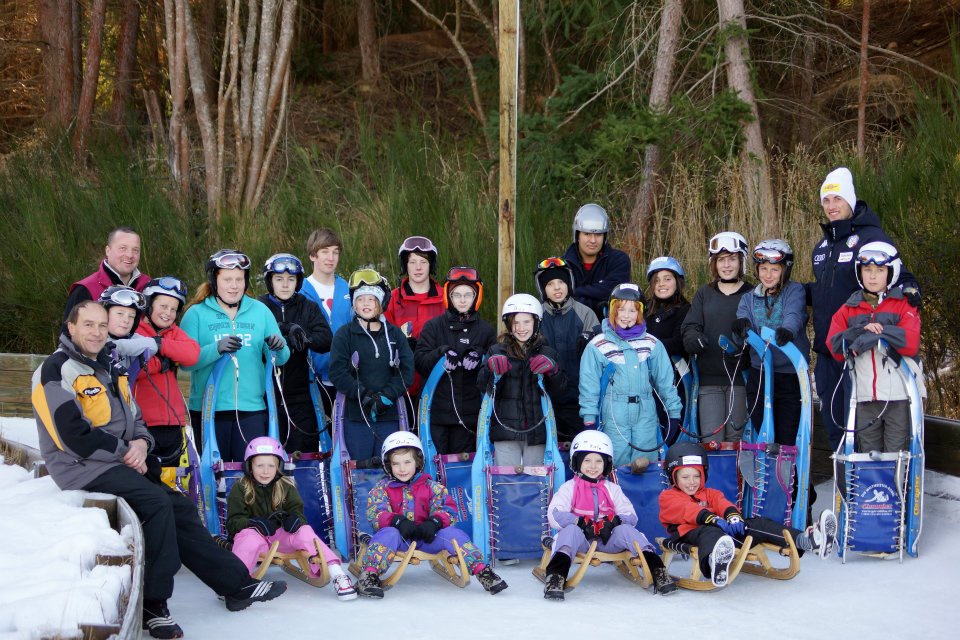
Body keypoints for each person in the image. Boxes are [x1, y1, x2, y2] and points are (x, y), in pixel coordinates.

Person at [33, 301, 286, 639]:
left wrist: (141, 444)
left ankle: (235, 585)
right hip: (82, 467)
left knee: (179, 504)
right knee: (156, 503)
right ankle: (154, 603)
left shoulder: (108, 364)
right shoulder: (55, 371)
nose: (96, 332)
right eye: (88, 325)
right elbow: (71, 436)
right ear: (70, 328)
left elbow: (134, 418)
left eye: (101, 325)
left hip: (120, 460)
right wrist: (127, 452)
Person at [808, 167, 920, 451]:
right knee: (835, 430)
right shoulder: (821, 247)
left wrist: (911, 290)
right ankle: (845, 494)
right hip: (829, 349)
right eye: (826, 200)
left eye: (838, 199)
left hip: (861, 352)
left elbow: (898, 275)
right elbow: (825, 290)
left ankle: (870, 492)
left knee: (857, 428)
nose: (832, 206)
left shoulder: (871, 237)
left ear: (850, 201)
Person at [658, 442, 837, 588]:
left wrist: (733, 516)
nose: (692, 482)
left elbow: (722, 503)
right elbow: (687, 510)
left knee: (757, 524)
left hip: (724, 535)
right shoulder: (668, 496)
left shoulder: (709, 492)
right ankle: (715, 564)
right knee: (709, 532)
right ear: (673, 477)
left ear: (704, 474)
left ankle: (807, 541)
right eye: (685, 477)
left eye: (696, 476)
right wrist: (713, 520)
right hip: (690, 534)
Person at [354, 432, 507, 598]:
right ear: (387, 465)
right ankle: (369, 575)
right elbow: (375, 513)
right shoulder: (382, 488)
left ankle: (482, 571)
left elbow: (448, 509)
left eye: (407, 462)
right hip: (399, 540)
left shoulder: (432, 487)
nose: (402, 468)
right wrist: (397, 521)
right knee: (387, 534)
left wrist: (434, 522)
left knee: (453, 534)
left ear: (418, 462)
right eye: (396, 464)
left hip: (428, 538)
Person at [181, 249, 290, 461]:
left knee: (250, 473)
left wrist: (279, 347)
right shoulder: (196, 313)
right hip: (209, 409)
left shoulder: (260, 311)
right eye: (228, 279)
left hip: (251, 409)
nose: (234, 285)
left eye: (239, 279)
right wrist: (216, 349)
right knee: (213, 476)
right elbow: (185, 363)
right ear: (215, 281)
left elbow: (282, 358)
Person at [541, 431, 677, 600]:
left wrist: (615, 521)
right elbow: (555, 513)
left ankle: (658, 571)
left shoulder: (612, 489)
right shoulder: (570, 488)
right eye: (587, 460)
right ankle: (555, 577)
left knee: (628, 531)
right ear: (577, 462)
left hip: (608, 540)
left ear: (606, 464)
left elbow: (631, 515)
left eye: (599, 461)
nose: (593, 466)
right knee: (569, 532)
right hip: (582, 541)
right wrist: (579, 522)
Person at [226, 437, 356, 600]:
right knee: (248, 538)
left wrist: (294, 520)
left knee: (305, 531)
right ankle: (234, 583)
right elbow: (232, 523)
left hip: (280, 539)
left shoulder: (286, 486)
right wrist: (253, 524)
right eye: (260, 465)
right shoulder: (241, 487)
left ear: (278, 467)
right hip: (254, 537)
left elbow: (297, 512)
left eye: (271, 466)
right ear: (250, 466)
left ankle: (337, 573)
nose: (265, 471)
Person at [827, 242, 921, 453]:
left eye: (880, 270)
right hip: (864, 396)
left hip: (898, 396)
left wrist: (867, 338)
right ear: (859, 272)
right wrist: (858, 331)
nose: (872, 276)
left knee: (897, 456)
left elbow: (910, 342)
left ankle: (898, 487)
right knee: (867, 458)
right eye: (867, 270)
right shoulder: (849, 308)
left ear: (891, 272)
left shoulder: (903, 303)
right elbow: (834, 347)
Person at [579, 283, 681, 466]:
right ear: (611, 310)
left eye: (633, 311)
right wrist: (589, 418)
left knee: (645, 463)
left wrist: (673, 412)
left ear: (640, 313)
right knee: (617, 463)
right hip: (614, 412)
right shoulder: (598, 345)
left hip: (645, 412)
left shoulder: (652, 344)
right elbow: (589, 386)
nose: (626, 316)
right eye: (621, 310)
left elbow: (666, 382)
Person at [328, 268, 414, 463]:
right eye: (360, 299)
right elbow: (337, 372)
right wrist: (363, 395)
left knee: (390, 465)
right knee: (360, 470)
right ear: (354, 304)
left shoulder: (394, 334)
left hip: (390, 415)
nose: (365, 304)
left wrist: (387, 396)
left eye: (371, 299)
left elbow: (406, 372)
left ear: (381, 302)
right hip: (356, 416)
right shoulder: (345, 334)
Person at [731, 240, 810, 445]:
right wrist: (739, 329)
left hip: (789, 374)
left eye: (774, 269)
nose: (768, 274)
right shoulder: (748, 298)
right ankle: (766, 475)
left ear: (785, 269)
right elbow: (741, 327)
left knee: (786, 434)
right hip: (760, 374)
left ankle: (789, 476)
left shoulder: (795, 290)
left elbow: (794, 314)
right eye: (763, 269)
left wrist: (788, 331)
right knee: (763, 430)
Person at [476, 293, 566, 466]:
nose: (521, 328)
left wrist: (553, 371)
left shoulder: (548, 353)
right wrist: (490, 369)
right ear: (509, 325)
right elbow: (482, 385)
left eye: (527, 322)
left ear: (536, 323)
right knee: (507, 482)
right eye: (516, 322)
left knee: (536, 483)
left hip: (537, 433)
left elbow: (560, 390)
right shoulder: (496, 351)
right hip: (505, 432)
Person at [414, 266, 496, 454]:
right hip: (436, 414)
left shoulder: (485, 331)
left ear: (476, 297)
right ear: (448, 297)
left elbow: (494, 367)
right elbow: (420, 362)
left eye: (468, 294)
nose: (462, 300)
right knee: (436, 466)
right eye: (456, 294)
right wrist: (440, 354)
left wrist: (480, 356)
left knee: (462, 469)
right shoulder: (433, 327)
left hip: (469, 415)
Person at [681, 232, 752, 443]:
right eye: (721, 260)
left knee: (735, 440)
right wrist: (693, 338)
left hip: (741, 379)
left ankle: (735, 477)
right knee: (711, 441)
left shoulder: (751, 293)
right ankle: (713, 477)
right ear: (714, 263)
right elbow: (690, 325)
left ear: (741, 261)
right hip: (709, 380)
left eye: (732, 259)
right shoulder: (705, 293)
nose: (727, 265)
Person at [258, 253, 332, 453]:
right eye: (279, 279)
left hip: (300, 394)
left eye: (291, 280)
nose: (285, 285)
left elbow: (326, 339)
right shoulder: (259, 306)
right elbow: (253, 335)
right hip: (264, 394)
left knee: (303, 451)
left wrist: (304, 337)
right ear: (269, 281)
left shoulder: (307, 306)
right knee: (269, 452)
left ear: (298, 282)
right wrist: (284, 327)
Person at [133, 277, 201, 482]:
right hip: (144, 424)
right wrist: (163, 364)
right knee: (147, 479)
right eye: (163, 306)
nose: (168, 313)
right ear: (148, 304)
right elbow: (135, 369)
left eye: (173, 309)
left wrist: (159, 345)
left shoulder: (173, 333)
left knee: (172, 481)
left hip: (173, 423)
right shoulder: (134, 331)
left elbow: (192, 354)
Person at [534, 256, 599, 442]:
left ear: (569, 283)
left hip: (578, 398)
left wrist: (590, 339)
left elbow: (599, 353)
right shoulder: (536, 316)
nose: (557, 288)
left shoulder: (584, 313)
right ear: (543, 288)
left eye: (561, 282)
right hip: (544, 399)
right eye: (550, 284)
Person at [385, 236, 446, 419]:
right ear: (405, 266)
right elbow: (382, 336)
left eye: (423, 262)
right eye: (412, 262)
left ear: (431, 265)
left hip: (438, 385)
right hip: (403, 386)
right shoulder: (393, 299)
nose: (418, 268)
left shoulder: (446, 298)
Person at [300, 228, 352, 418]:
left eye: (335, 252)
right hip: (311, 381)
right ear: (313, 255)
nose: (331, 258)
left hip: (346, 379)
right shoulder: (300, 292)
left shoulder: (350, 289)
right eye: (325, 251)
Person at [644, 256, 691, 433]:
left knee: (671, 420)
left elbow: (679, 343)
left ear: (677, 282)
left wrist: (646, 345)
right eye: (657, 280)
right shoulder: (644, 309)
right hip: (645, 374)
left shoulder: (686, 310)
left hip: (675, 375)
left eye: (667, 279)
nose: (661, 284)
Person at [64, 227, 151, 321]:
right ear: (108, 251)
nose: (130, 255)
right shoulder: (85, 289)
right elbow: (68, 333)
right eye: (123, 248)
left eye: (135, 250)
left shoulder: (148, 286)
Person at [561, 203, 632, 319]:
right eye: (587, 234)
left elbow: (616, 292)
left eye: (598, 234)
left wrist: (574, 291)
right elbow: (556, 301)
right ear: (577, 235)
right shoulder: (562, 265)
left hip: (610, 331)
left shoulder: (619, 260)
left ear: (605, 236)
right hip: (571, 329)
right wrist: (599, 302)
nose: (593, 240)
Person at [99, 285, 158, 381]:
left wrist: (116, 346)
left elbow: (152, 345)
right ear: (104, 314)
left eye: (131, 316)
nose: (126, 320)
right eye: (120, 314)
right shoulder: (94, 339)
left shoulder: (130, 337)